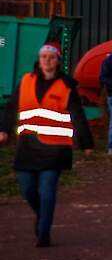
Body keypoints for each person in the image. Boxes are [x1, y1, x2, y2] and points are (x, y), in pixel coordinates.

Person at [0, 44, 94, 247]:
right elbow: (11, 107)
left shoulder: (67, 86)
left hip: (55, 148)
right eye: (43, 56)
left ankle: (44, 232)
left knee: (47, 190)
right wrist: (4, 129)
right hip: (27, 146)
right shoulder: (26, 81)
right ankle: (41, 215)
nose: (46, 60)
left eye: (51, 57)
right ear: (39, 59)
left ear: (57, 60)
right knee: (27, 190)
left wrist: (86, 142)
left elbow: (78, 116)